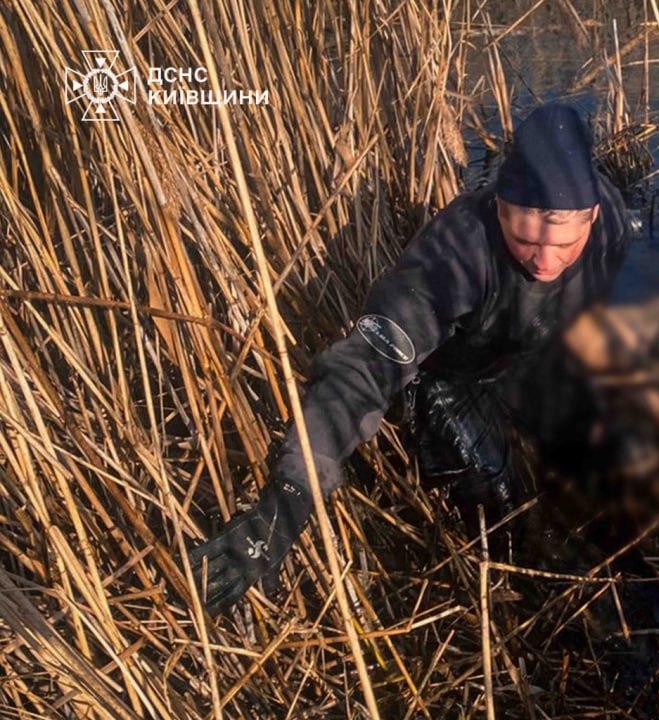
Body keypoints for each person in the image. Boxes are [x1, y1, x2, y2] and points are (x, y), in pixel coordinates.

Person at [188, 102, 633, 615]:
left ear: (593, 217)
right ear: (498, 209)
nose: (544, 261)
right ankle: (511, 601)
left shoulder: (613, 221)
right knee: (496, 493)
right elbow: (361, 371)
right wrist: (287, 499)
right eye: (524, 239)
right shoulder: (455, 252)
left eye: (564, 242)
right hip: (448, 374)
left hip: (530, 355)